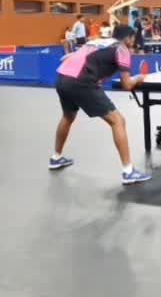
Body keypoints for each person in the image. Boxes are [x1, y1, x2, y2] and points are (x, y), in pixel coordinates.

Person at [50, 24, 151, 185]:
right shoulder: (122, 49)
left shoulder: (96, 42)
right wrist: (138, 78)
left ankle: (56, 158)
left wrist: (97, 78)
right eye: (132, 38)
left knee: (68, 117)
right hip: (81, 82)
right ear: (127, 38)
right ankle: (128, 172)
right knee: (118, 121)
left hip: (62, 78)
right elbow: (127, 85)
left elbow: (72, 58)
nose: (133, 41)